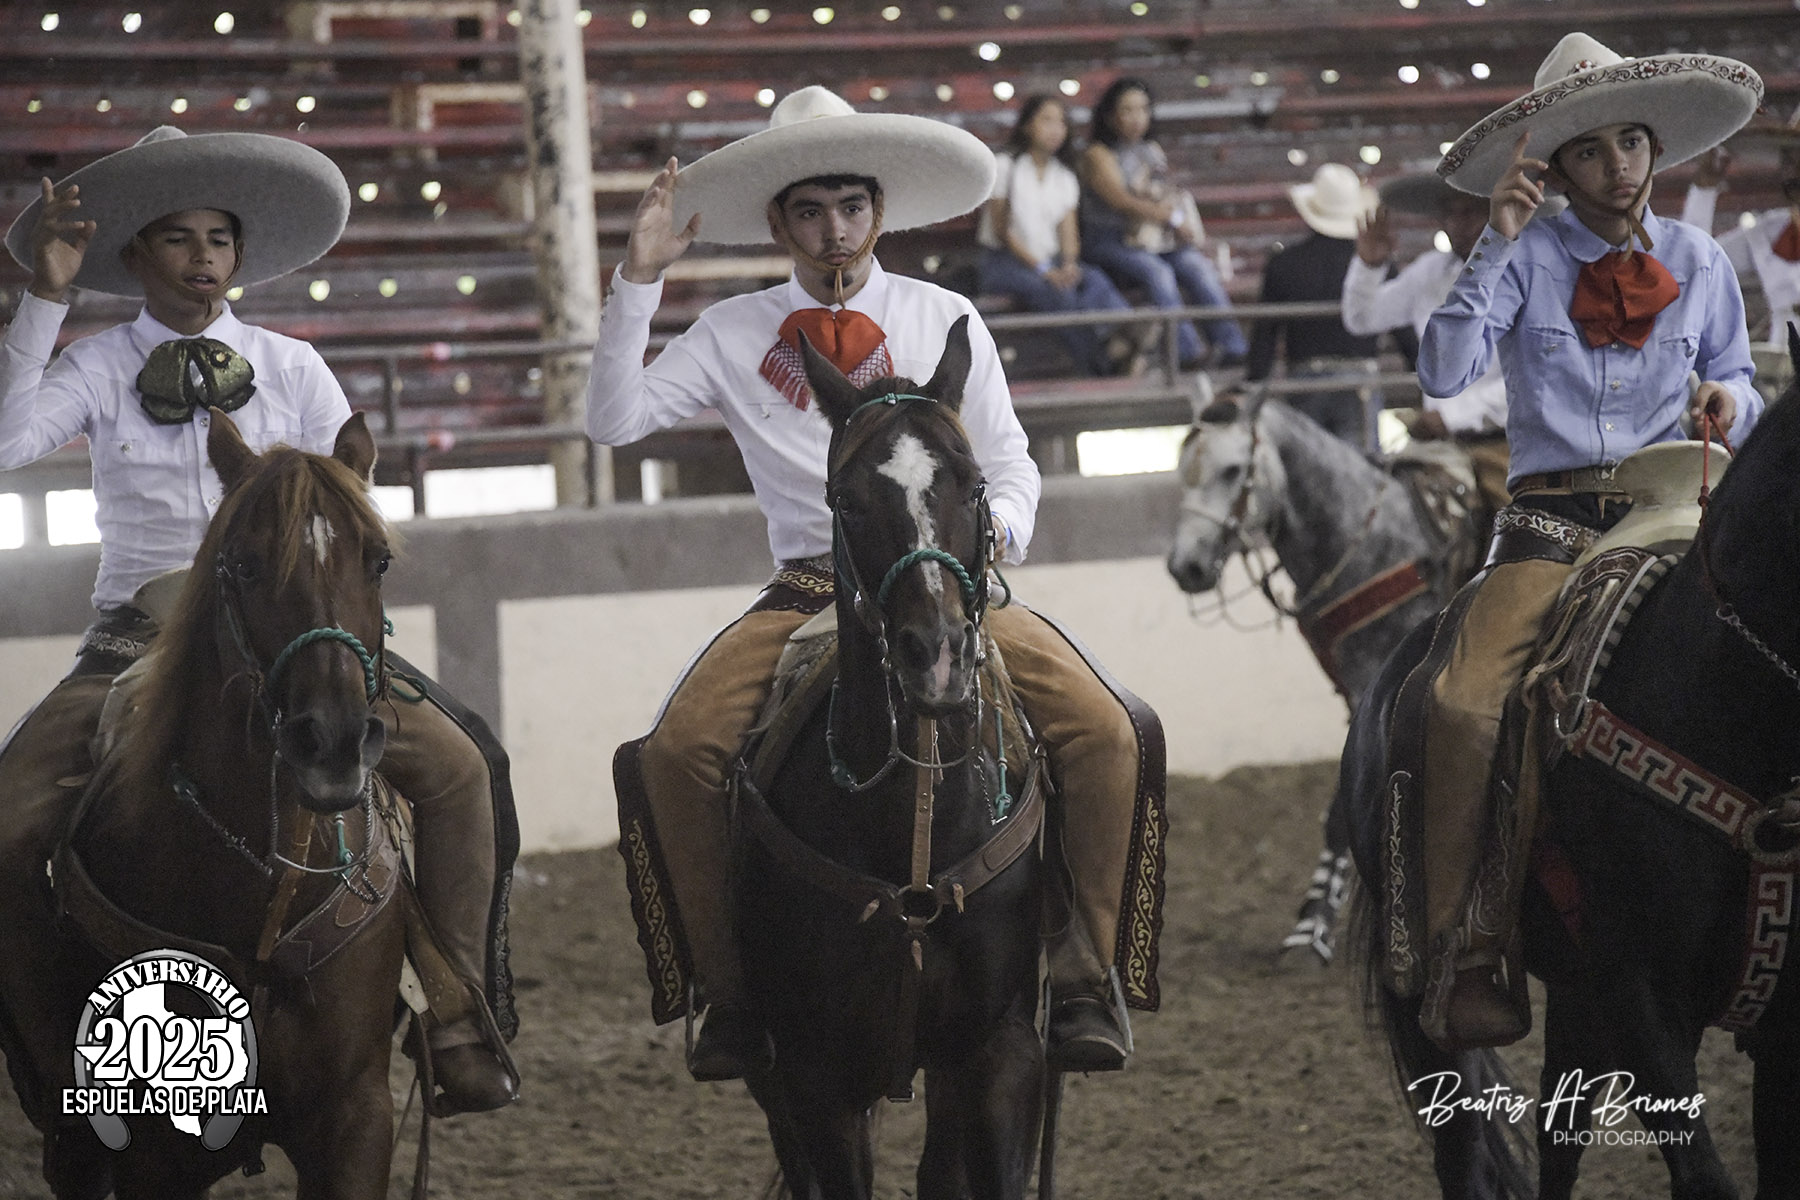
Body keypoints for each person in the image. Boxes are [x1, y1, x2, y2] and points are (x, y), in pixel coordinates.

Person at [587, 86, 1163, 1081]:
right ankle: (729, 992)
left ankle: (1083, 973)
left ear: (879, 213)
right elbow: (612, 420)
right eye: (810, 212)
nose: (834, 232)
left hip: (948, 584)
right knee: (675, 754)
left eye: (851, 207)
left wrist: (993, 541)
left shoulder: (945, 315)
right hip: (808, 592)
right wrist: (637, 281)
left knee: (1109, 732)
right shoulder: (730, 330)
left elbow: (1010, 462)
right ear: (780, 225)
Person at [0, 127, 518, 1112]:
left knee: (462, 767)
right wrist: (47, 297)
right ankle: (52, 1063)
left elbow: (349, 504)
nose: (202, 258)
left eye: (218, 239)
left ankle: (457, 1012)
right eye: (178, 239)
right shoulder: (96, 364)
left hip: (293, 626)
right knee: (9, 821)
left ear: (238, 256)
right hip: (144, 628)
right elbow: (5, 441)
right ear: (137, 256)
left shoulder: (294, 363)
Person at [1413, 32, 1762, 1049]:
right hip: (1550, 523)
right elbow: (1442, 373)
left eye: (1632, 144)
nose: (1618, 167)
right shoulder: (1523, 256)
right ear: (1556, 171)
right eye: (1590, 151)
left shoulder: (1701, 260)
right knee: (1461, 703)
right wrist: (1493, 241)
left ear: (1655, 148)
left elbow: (1742, 376)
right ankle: (1465, 944)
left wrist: (1726, 400)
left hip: (1676, 511)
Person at [1342, 170, 1511, 514]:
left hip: (1505, 443)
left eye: (1470, 212)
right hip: (1440, 444)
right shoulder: (1431, 270)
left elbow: (1532, 380)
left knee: (1512, 527)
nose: (1458, 224)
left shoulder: (1525, 272)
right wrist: (1369, 266)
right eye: (1450, 213)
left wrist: (1449, 416)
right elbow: (1362, 319)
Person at [1076, 77, 1247, 371]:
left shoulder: (1151, 150)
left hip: (1153, 239)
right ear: (1110, 115)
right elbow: (1120, 200)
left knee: (1198, 267)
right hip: (1109, 240)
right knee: (1158, 273)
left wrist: (1176, 219)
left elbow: (1163, 191)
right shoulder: (1098, 154)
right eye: (1128, 110)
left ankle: (1232, 346)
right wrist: (1171, 218)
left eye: (1143, 109)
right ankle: (1188, 352)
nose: (1137, 118)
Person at [979, 94, 1137, 377]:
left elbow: (1068, 231)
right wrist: (1044, 269)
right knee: (1056, 293)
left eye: (1061, 123)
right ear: (1027, 125)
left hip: (1050, 259)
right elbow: (1003, 231)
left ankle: (1126, 332)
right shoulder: (1005, 166)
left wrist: (1069, 264)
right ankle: (1102, 364)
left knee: (1093, 279)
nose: (1055, 129)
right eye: (1047, 120)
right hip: (1006, 262)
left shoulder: (1063, 175)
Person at [1244, 162, 1383, 446]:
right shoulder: (1373, 264)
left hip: (1305, 378)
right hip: (1360, 378)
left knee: (1307, 461)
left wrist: (1252, 388)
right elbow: (1404, 326)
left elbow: (1265, 337)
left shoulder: (1284, 264)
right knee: (1360, 464)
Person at [1679, 104, 1800, 399]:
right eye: (1793, 158)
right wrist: (1704, 189)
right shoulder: (1767, 233)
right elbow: (1698, 260)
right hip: (1786, 381)